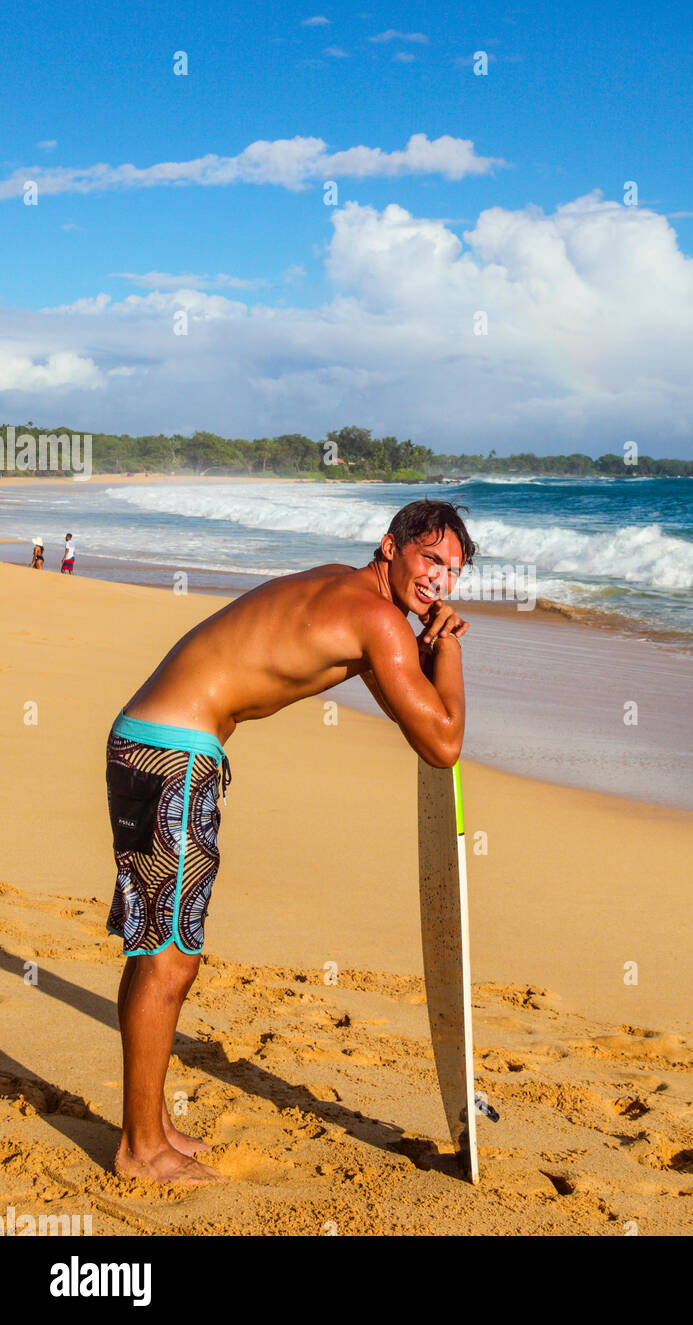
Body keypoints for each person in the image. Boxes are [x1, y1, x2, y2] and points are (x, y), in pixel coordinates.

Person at [105, 499, 475, 1186]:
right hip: (172, 757)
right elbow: (443, 743)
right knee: (169, 961)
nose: (441, 583)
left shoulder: (347, 589)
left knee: (155, 948)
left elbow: (407, 702)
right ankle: (138, 1151)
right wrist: (448, 643)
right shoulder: (378, 620)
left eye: (453, 573)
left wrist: (422, 647)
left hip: (157, 744)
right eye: (431, 560)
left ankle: (149, 1129)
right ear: (391, 548)